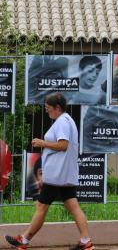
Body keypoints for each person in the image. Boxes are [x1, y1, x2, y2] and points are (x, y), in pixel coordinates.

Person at [5, 92, 95, 250]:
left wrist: (42, 143)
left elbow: (63, 145)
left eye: (48, 108)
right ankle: (86, 241)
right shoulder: (66, 120)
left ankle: (24, 240)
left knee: (41, 207)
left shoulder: (62, 122)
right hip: (62, 174)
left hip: (56, 175)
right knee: (73, 207)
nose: (47, 111)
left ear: (57, 108)